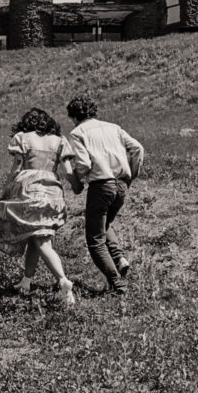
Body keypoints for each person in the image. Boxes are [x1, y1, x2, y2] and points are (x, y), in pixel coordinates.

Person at [0, 108, 80, 308]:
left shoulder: (22, 138)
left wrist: (3, 192)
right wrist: (77, 186)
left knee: (42, 241)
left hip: (29, 191)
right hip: (52, 193)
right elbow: (68, 170)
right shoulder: (59, 140)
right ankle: (26, 281)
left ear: (26, 123)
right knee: (37, 237)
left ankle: (63, 281)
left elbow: (17, 167)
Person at [66, 95, 144, 296]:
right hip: (121, 185)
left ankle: (117, 284)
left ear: (74, 116)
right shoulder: (113, 127)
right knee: (104, 224)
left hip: (101, 185)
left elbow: (83, 164)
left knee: (95, 239)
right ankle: (119, 259)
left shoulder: (77, 133)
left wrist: (77, 179)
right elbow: (137, 148)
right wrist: (132, 175)